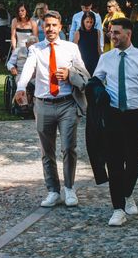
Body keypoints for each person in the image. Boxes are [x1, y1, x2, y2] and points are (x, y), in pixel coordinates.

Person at [93, 17, 138, 226]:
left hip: (135, 116)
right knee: (114, 162)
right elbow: (96, 81)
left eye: (116, 32)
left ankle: (127, 193)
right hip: (113, 115)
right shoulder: (106, 58)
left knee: (133, 161)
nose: (112, 36)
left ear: (128, 34)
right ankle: (118, 208)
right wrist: (96, 91)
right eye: (110, 33)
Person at [14, 11, 89, 208]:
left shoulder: (71, 48)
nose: (50, 29)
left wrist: (70, 73)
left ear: (60, 27)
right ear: (43, 28)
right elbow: (28, 69)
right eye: (47, 25)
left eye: (54, 25)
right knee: (47, 151)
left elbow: (84, 74)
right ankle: (53, 190)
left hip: (67, 104)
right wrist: (21, 88)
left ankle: (70, 188)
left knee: (68, 148)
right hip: (43, 104)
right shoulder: (36, 49)